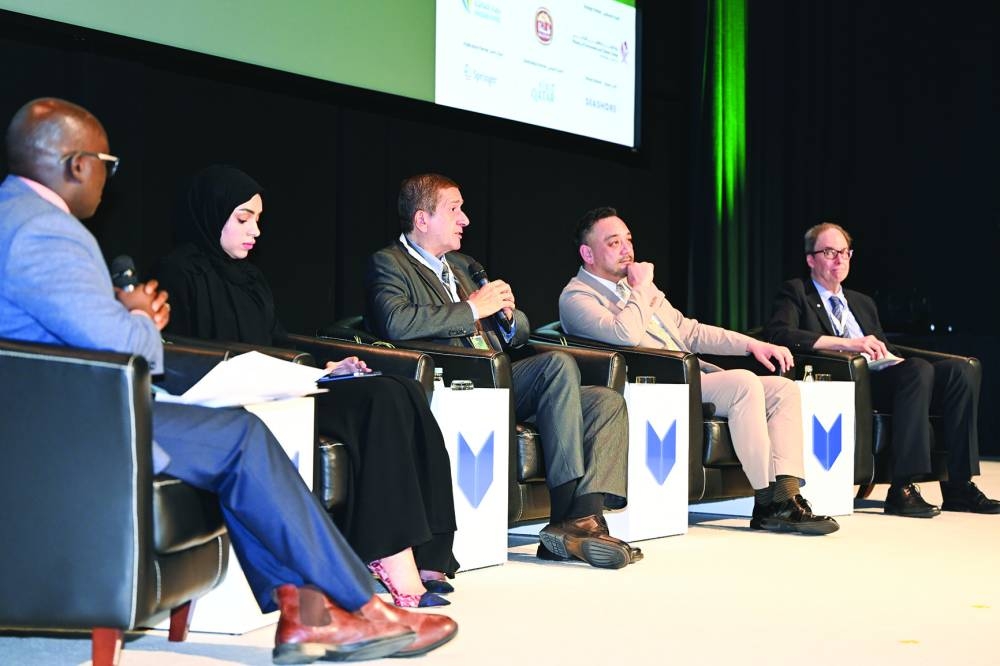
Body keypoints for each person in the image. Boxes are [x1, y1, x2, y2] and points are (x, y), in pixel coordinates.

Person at [0, 97, 456, 663]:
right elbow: (125, 347)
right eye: (105, 164)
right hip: (71, 428)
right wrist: (138, 317)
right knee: (240, 439)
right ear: (76, 164)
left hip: (61, 412)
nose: (106, 179)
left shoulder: (16, 216)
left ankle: (310, 615)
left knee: (238, 439)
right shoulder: (46, 231)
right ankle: (358, 610)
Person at [156, 164, 460, 608]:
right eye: (243, 218)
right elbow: (184, 351)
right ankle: (389, 554)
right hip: (237, 396)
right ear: (211, 214)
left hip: (282, 385)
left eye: (258, 219)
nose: (255, 231)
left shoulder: (251, 277)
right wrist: (287, 369)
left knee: (400, 390)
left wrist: (325, 367)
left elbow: (277, 340)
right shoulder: (177, 273)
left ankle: (430, 552)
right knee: (379, 402)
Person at [366, 174, 639, 569]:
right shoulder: (389, 263)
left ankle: (583, 519)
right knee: (556, 365)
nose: (465, 219)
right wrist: (473, 309)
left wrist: (508, 318)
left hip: (498, 375)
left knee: (606, 401)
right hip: (456, 380)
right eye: (455, 210)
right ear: (422, 219)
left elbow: (518, 330)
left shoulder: (463, 265)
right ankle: (567, 520)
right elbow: (395, 322)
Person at [560, 207, 839, 535]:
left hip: (690, 377)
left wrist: (752, 345)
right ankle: (768, 501)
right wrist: (640, 289)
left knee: (783, 389)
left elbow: (689, 330)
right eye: (614, 243)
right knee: (744, 383)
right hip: (656, 384)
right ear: (587, 253)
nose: (627, 249)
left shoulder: (637, 288)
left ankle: (787, 496)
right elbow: (625, 335)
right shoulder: (577, 296)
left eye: (629, 240)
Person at [764, 222, 1000, 516]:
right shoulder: (797, 292)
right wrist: (848, 344)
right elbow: (780, 333)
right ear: (811, 259)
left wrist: (894, 358)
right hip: (847, 380)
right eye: (829, 252)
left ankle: (959, 487)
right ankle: (902, 487)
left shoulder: (862, 303)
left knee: (959, 371)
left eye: (845, 252)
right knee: (917, 371)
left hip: (887, 374)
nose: (839, 259)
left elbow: (883, 347)